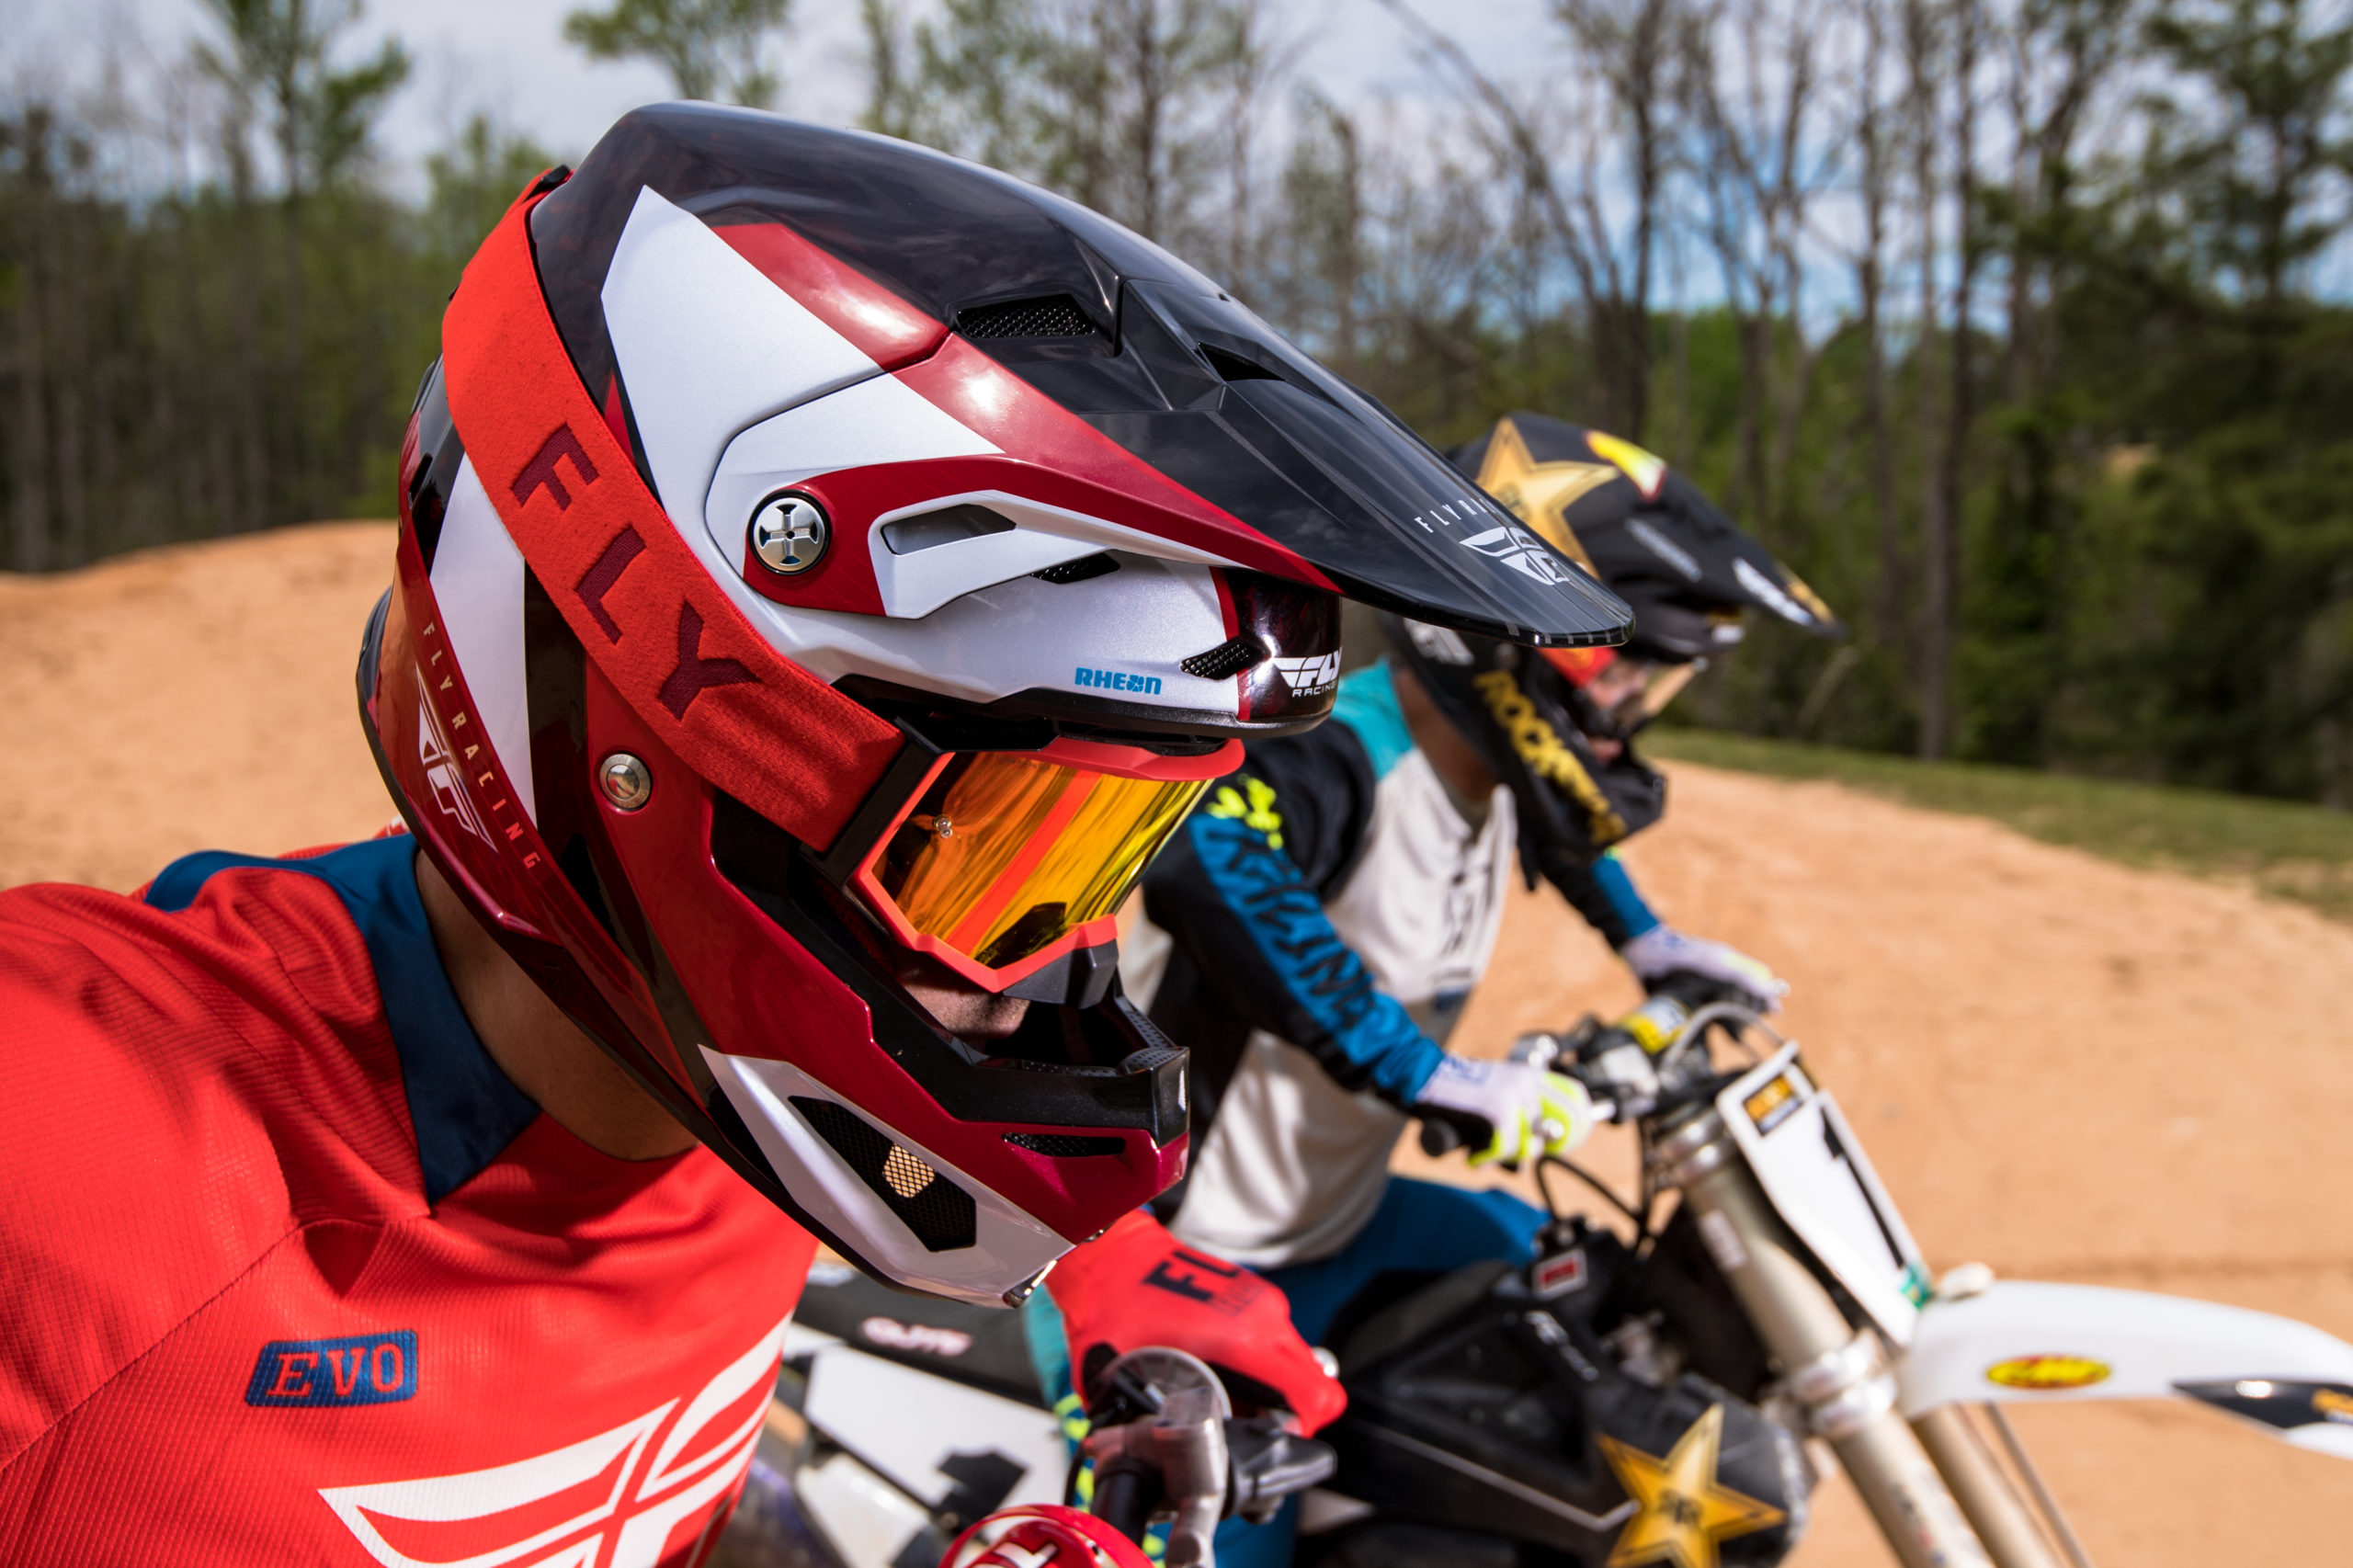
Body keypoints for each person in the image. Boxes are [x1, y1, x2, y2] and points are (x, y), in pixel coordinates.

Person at [0, 110, 1626, 1563]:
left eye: (1087, 863)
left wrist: (1102, 1266)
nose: (1040, 978)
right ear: (670, 724)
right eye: (981, 858)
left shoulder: (705, 1092)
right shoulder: (83, 1151)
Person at [1082, 410, 1838, 1568]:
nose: (1625, 710)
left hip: (1334, 1220)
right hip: (1175, 1253)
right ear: (1496, 631)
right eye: (1612, 667)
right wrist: (1427, 1072)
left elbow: (1562, 822)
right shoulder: (1338, 753)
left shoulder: (1476, 768)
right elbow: (1208, 856)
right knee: (1224, 1541)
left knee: (1577, 1297)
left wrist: (1647, 941)